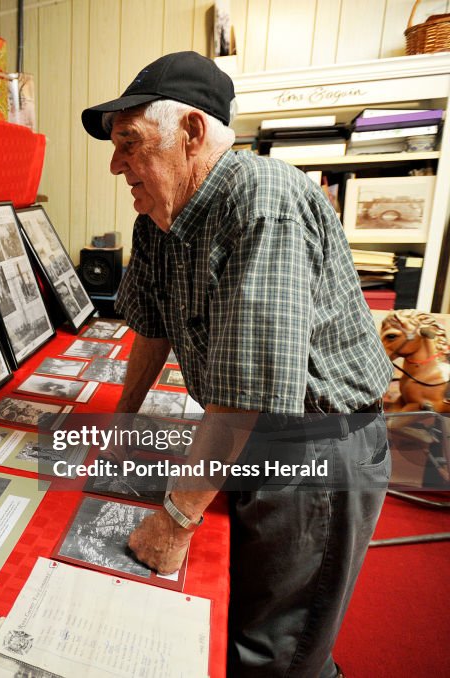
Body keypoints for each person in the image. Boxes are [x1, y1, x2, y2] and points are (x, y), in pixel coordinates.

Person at [81, 51, 391, 678]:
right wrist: (121, 420)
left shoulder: (263, 199)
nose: (116, 165)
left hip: (318, 445)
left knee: (278, 649)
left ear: (192, 133)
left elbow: (248, 394)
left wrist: (174, 521)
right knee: (238, 615)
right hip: (252, 431)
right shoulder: (160, 215)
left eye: (130, 144)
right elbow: (151, 325)